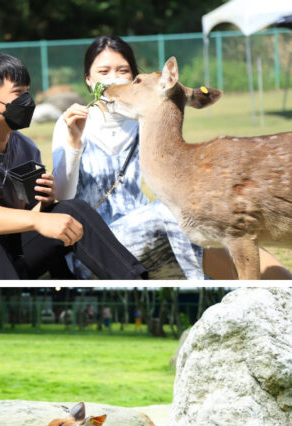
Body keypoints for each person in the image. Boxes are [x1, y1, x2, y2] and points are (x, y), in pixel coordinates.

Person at [52, 35, 292, 280]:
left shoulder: (147, 126)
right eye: (103, 71)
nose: (113, 78)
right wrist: (73, 143)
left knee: (221, 222)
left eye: (123, 71)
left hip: (152, 235)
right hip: (94, 247)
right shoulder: (70, 123)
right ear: (89, 80)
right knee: (176, 216)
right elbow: (61, 198)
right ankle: (210, 293)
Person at [0, 53, 147, 280]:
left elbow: (31, 216)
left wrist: (45, 205)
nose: (28, 101)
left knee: (72, 209)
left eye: (28, 92)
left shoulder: (25, 148)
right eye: (18, 93)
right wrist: (36, 221)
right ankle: (9, 311)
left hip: (4, 258)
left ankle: (137, 283)